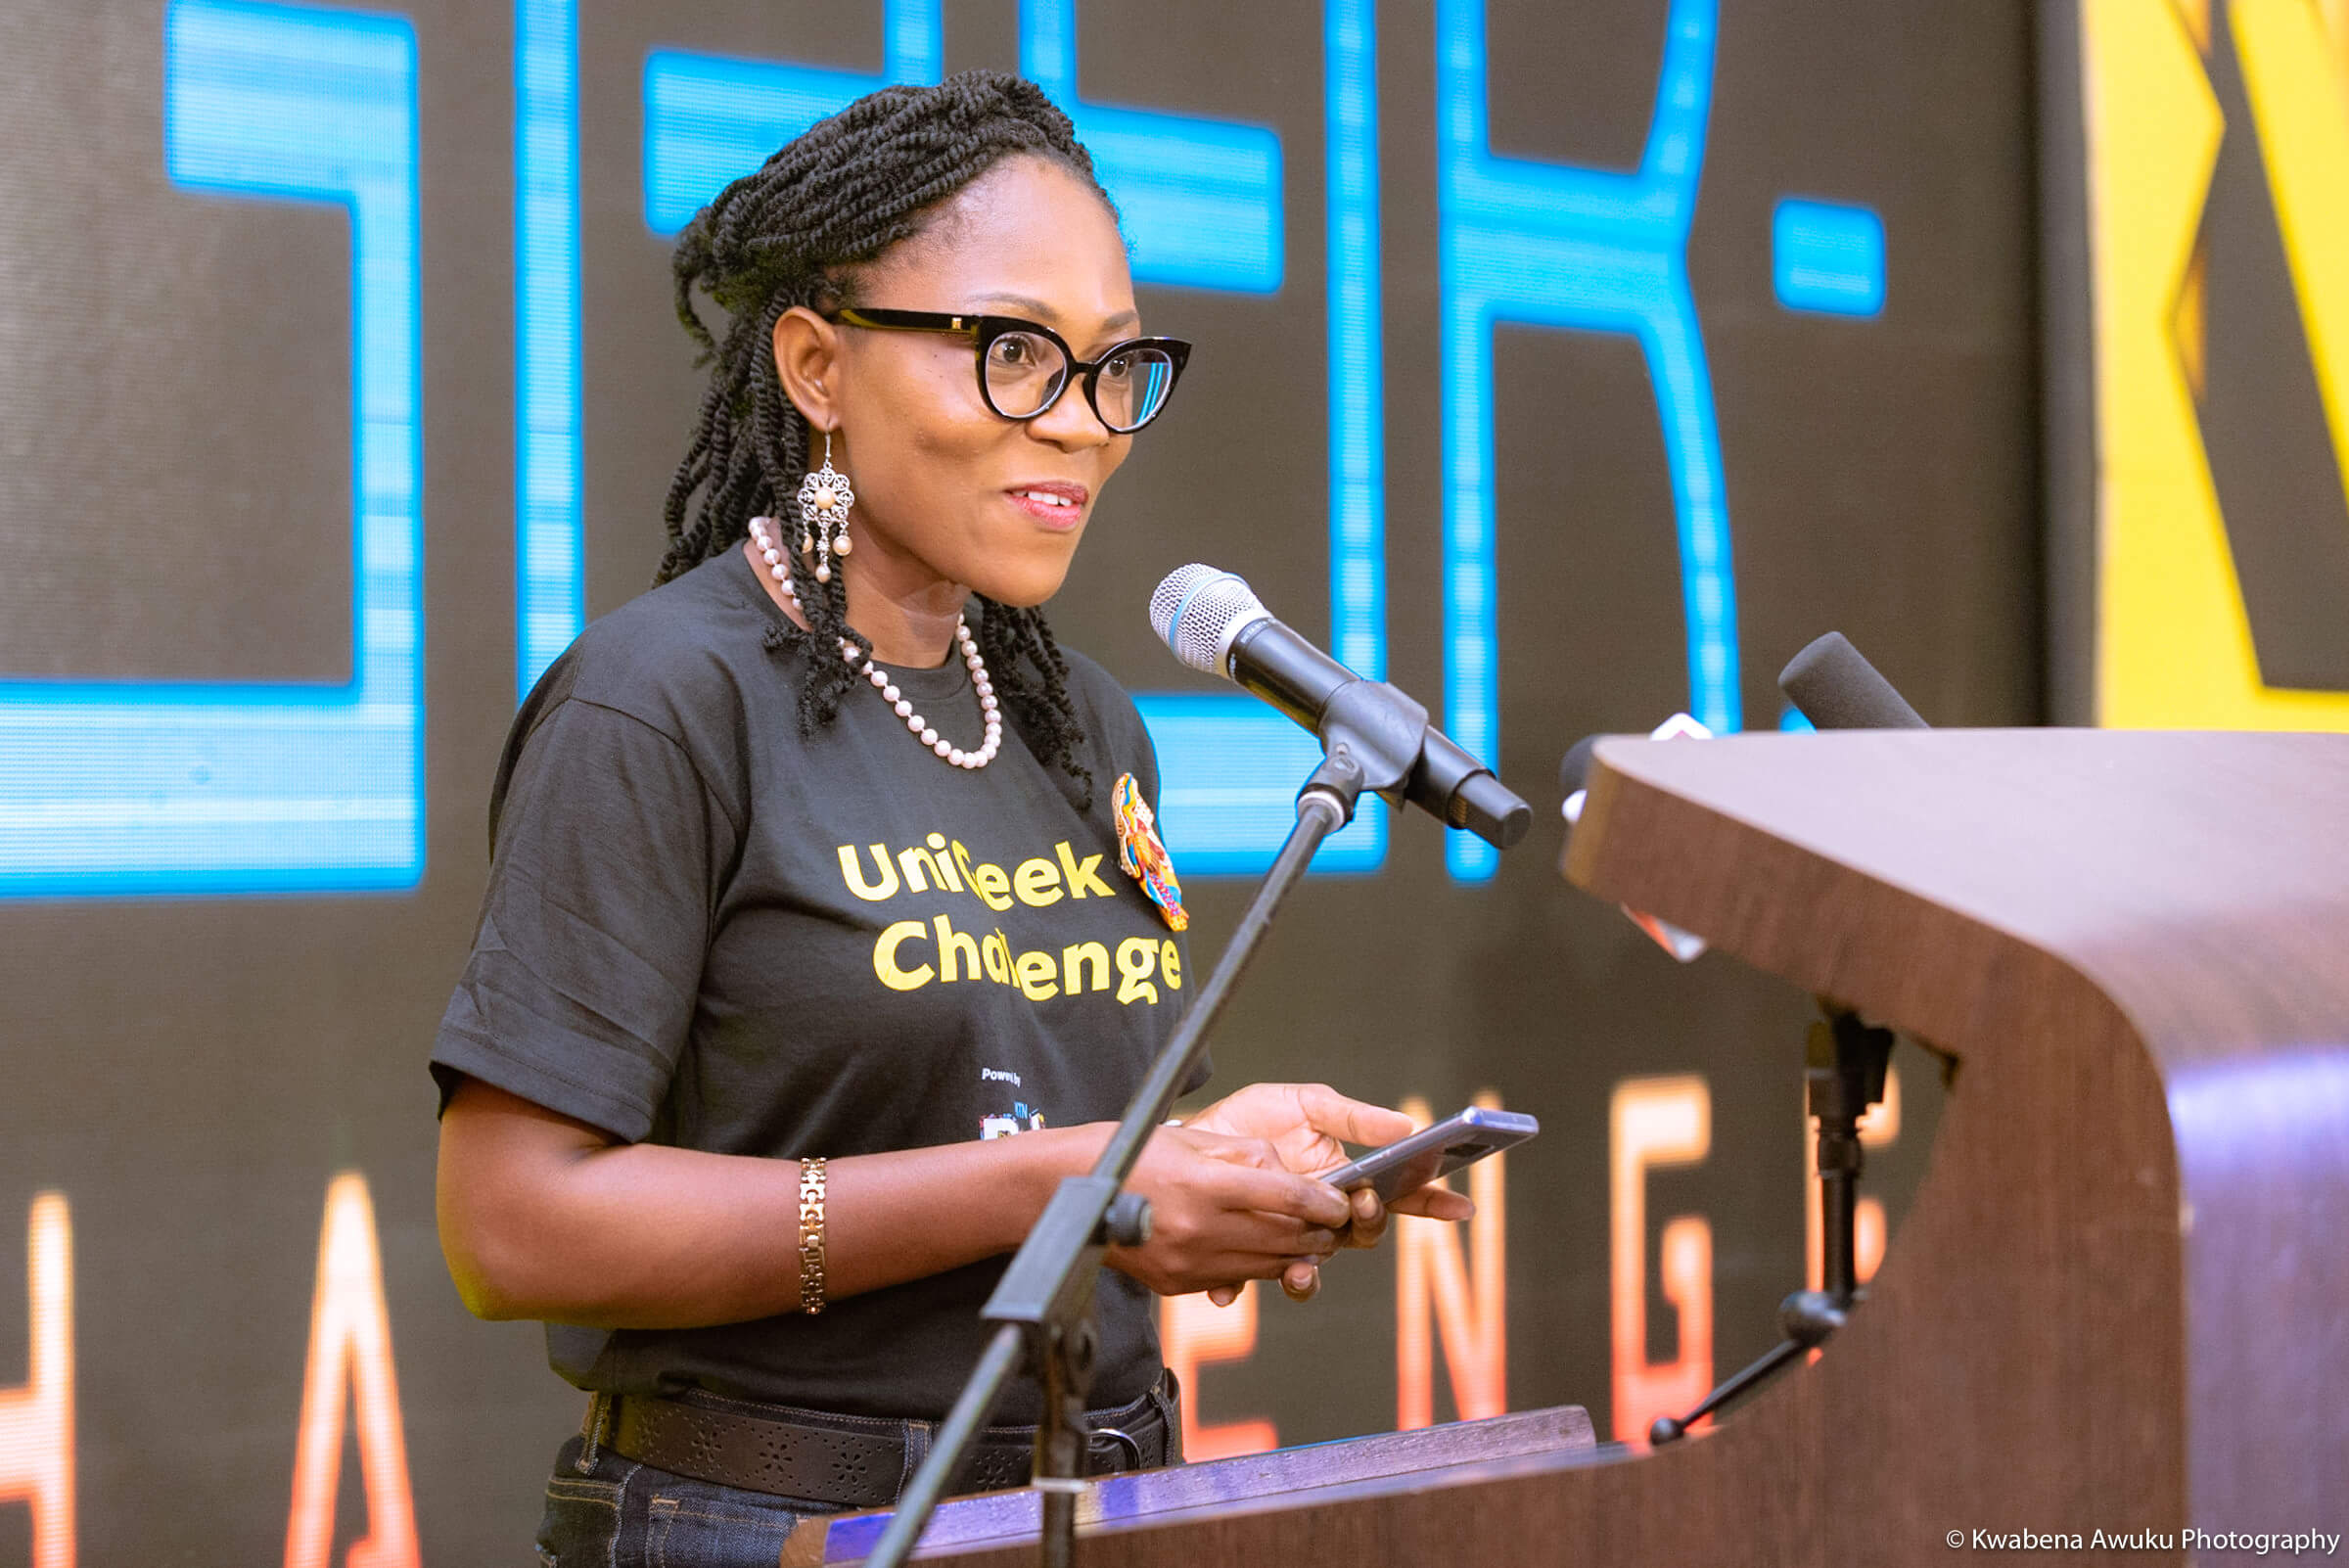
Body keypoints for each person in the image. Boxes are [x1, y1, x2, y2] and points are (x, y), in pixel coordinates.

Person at [429, 71, 1471, 1566]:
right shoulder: (659, 701)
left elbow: (1028, 1128)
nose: (1086, 424)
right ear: (817, 365)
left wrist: (1200, 1159)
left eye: (1114, 366)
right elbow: (512, 1227)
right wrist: (1071, 1185)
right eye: (1013, 352)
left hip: (1089, 1501)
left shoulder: (1080, 722)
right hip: (775, 1523)